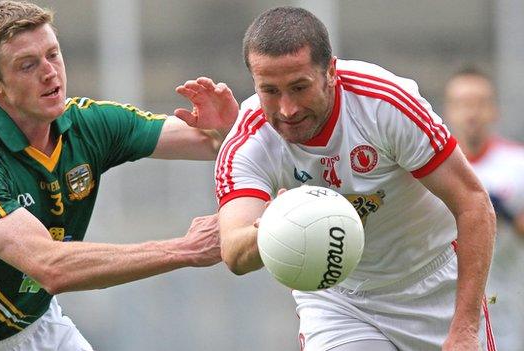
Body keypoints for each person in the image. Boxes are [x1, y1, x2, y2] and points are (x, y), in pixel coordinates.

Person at [0, 1, 239, 350]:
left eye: (53, 55)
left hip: (38, 325)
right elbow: (49, 267)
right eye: (27, 65)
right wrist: (185, 249)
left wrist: (227, 129)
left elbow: (209, 141)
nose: (49, 73)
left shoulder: (87, 124)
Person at [189, 6, 496, 351]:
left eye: (299, 87)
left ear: (330, 72)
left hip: (432, 284)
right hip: (337, 300)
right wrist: (282, 224)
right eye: (270, 91)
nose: (287, 109)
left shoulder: (384, 104)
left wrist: (466, 326)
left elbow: (473, 203)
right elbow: (234, 251)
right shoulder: (248, 140)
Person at [444, 67, 524, 349]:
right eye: (463, 104)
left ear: (494, 110)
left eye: (479, 103)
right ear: (449, 111)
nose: (472, 113)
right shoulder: (433, 171)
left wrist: (506, 214)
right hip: (441, 311)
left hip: (503, 311)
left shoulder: (518, 164)